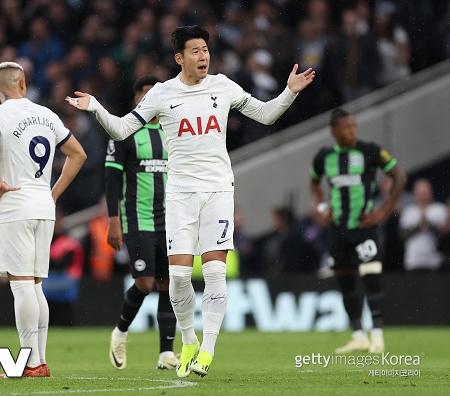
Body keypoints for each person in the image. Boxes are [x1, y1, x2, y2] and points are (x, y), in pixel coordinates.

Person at [66, 25, 314, 378]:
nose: (203, 57)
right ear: (179, 58)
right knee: (180, 277)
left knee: (214, 271)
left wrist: (289, 92)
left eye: (206, 50)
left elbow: (265, 114)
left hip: (217, 190)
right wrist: (94, 107)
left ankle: (208, 350)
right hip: (180, 194)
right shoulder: (162, 94)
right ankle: (188, 340)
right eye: (195, 51)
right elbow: (121, 130)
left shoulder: (223, 85)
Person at [0, 61, 86, 378]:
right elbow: (78, 154)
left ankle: (31, 363)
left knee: (22, 286)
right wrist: (53, 193)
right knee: (36, 285)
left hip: (17, 207)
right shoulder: (48, 116)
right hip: (43, 206)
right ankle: (38, 361)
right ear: (23, 84)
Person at [309, 108, 407, 354]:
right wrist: (321, 205)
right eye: (346, 128)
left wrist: (383, 211)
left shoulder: (370, 151)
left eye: (354, 126)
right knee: (346, 284)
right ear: (334, 132)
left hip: (365, 228)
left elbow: (399, 176)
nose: (352, 132)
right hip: (338, 231)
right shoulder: (324, 157)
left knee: (371, 280)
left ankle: (378, 336)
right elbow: (313, 182)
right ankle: (358, 335)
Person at [105, 75, 178, 371]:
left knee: (168, 285)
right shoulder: (124, 133)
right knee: (145, 284)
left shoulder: (172, 133)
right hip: (138, 221)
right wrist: (113, 221)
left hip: (171, 222)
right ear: (137, 100)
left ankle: (166, 354)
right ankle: (120, 333)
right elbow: (111, 180)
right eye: (146, 97)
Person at [399, 178, 447, 271]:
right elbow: (402, 235)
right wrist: (418, 226)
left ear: (430, 192)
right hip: (413, 261)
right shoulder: (409, 211)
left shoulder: (439, 209)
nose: (422, 196)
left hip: (434, 261)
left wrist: (427, 222)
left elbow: (443, 234)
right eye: (420, 193)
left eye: (424, 193)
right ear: (415, 193)